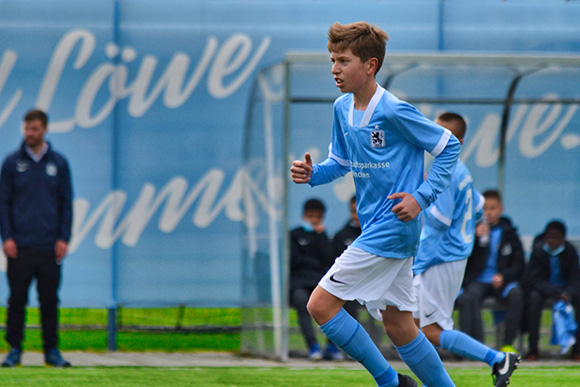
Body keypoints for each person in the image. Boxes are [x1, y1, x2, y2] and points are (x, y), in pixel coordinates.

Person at [290, 21, 461, 387]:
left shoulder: (395, 110)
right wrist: (312, 173)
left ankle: (389, 381)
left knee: (320, 305)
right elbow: (340, 162)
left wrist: (421, 197)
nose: (335, 69)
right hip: (377, 226)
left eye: (343, 61)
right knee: (399, 326)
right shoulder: (341, 108)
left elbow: (449, 147)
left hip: (393, 226)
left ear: (370, 65)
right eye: (332, 60)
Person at [412, 113, 519, 387]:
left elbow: (440, 220)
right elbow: (480, 206)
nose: (437, 139)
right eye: (435, 132)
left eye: (445, 134)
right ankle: (430, 381)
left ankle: (497, 359)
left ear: (458, 142)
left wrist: (417, 197)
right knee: (406, 322)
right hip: (438, 257)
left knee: (432, 331)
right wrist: (473, 226)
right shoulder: (457, 168)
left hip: (441, 258)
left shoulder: (446, 171)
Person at [0, 109, 73, 368]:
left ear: (45, 130)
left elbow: (66, 203)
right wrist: (7, 237)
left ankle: (51, 350)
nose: (29, 134)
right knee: (17, 299)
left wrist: (63, 237)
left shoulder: (59, 163)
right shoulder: (11, 163)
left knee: (49, 300)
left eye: (34, 129)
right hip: (19, 246)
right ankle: (14, 349)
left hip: (48, 246)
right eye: (26, 129)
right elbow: (4, 203)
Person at [456, 189, 525, 355]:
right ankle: (475, 348)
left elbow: (519, 264)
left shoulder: (510, 233)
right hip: (478, 281)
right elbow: (464, 260)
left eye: (492, 208)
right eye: (485, 208)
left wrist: (503, 276)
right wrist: (474, 239)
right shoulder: (471, 231)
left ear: (501, 209)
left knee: (516, 294)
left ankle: (507, 344)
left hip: (502, 282)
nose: (489, 212)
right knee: (467, 297)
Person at [522, 220, 580, 361]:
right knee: (534, 299)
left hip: (565, 289)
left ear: (563, 239)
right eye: (549, 237)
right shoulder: (539, 251)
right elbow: (533, 280)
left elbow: (575, 279)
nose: (552, 241)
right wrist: (556, 293)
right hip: (545, 290)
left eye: (556, 237)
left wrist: (567, 293)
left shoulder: (570, 251)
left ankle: (577, 349)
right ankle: (533, 348)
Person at [289, 198, 339, 360]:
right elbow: (294, 260)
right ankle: (313, 346)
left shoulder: (324, 237)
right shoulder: (294, 235)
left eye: (317, 217)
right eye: (310, 216)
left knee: (336, 303)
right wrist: (313, 262)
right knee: (301, 300)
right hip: (299, 283)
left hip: (319, 282)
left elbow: (329, 259)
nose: (313, 220)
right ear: (304, 215)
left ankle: (332, 346)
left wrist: (321, 236)